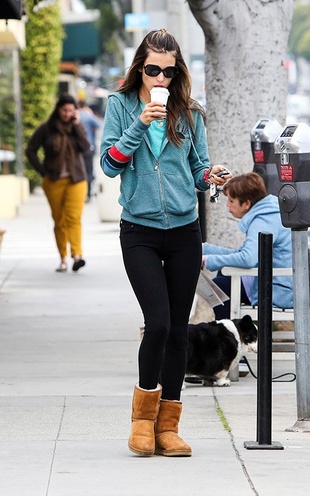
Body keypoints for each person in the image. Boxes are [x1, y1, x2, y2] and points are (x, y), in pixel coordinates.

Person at [100, 28, 231, 457]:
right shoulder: (120, 107)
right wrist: (139, 125)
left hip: (183, 231)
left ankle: (168, 426)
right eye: (153, 69)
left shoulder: (190, 112)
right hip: (138, 230)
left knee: (178, 330)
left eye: (168, 72)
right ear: (140, 67)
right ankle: (142, 419)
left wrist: (210, 178)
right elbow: (109, 165)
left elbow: (198, 170)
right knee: (156, 323)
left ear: (177, 73)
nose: (160, 79)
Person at [202, 172, 293, 320]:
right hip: (282, 284)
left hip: (280, 291)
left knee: (219, 285)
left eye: (231, 200)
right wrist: (205, 249)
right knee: (223, 276)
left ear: (246, 204)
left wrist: (207, 260)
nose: (227, 204)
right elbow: (243, 253)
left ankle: (230, 336)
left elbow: (248, 258)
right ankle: (233, 332)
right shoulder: (268, 213)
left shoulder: (263, 221)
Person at [26, 93, 90, 273]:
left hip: (76, 180)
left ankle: (77, 256)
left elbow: (86, 147)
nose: (67, 114)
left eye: (71, 110)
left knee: (74, 218)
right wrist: (43, 172)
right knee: (59, 220)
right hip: (53, 180)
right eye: (65, 110)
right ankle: (63, 259)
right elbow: (30, 150)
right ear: (58, 110)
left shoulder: (77, 127)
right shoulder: (46, 129)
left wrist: (77, 126)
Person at [77, 100, 102, 201]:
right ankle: (87, 194)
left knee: (79, 170)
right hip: (89, 146)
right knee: (89, 171)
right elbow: (99, 124)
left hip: (77, 148)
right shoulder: (88, 116)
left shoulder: (76, 115)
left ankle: (80, 193)